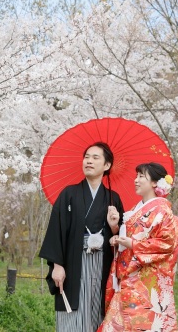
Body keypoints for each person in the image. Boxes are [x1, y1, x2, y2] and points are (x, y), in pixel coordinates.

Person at [40, 142, 125, 331]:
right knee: (72, 313)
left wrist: (114, 226)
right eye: (86, 157)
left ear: (107, 165)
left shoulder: (114, 199)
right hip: (73, 262)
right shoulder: (69, 194)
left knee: (99, 309)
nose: (89, 161)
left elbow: (120, 238)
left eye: (95, 158)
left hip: (102, 263)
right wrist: (57, 265)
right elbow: (57, 230)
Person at [99, 162, 178, 332]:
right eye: (136, 176)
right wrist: (115, 230)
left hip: (144, 282)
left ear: (154, 183)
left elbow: (166, 244)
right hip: (129, 279)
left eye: (141, 176)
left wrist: (133, 244)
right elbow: (129, 238)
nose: (136, 180)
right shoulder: (138, 209)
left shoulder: (161, 210)